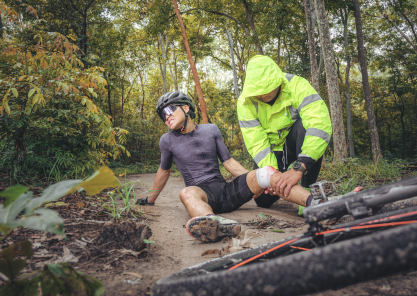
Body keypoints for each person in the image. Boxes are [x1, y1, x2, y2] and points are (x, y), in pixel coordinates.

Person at [137, 91, 319, 243]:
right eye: (163, 115)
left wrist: (257, 181)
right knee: (186, 193)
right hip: (203, 195)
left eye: (169, 109)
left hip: (226, 191)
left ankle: (316, 203)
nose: (166, 116)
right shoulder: (167, 140)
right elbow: (164, 170)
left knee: (266, 172)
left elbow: (228, 162)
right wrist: (150, 199)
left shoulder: (211, 130)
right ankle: (214, 225)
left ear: (186, 108)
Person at [237, 55, 332, 210]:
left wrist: (299, 168)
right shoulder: (244, 103)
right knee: (263, 200)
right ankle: (286, 185)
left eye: (267, 89)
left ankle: (308, 193)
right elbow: (256, 142)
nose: (263, 95)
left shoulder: (297, 85)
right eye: (258, 91)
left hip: (295, 145)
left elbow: (319, 124)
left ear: (278, 80)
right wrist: (273, 176)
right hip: (271, 149)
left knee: (305, 127)